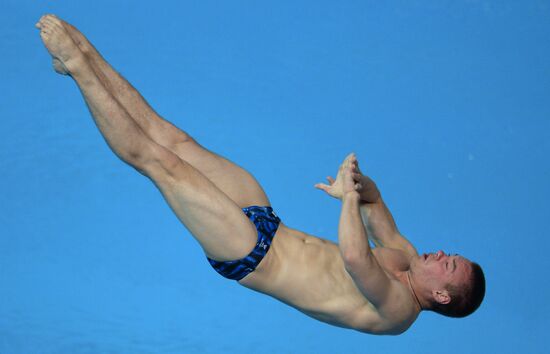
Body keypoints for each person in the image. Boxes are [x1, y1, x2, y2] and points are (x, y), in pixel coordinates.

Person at [36, 14, 485, 335]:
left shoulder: (398, 312)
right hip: (269, 222)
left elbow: (354, 258)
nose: (442, 252)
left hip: (250, 253)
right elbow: (375, 204)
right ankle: (88, 57)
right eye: (452, 254)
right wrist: (360, 184)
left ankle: (75, 66)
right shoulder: (406, 257)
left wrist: (345, 197)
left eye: (448, 264)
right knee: (173, 139)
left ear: (441, 297)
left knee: (157, 162)